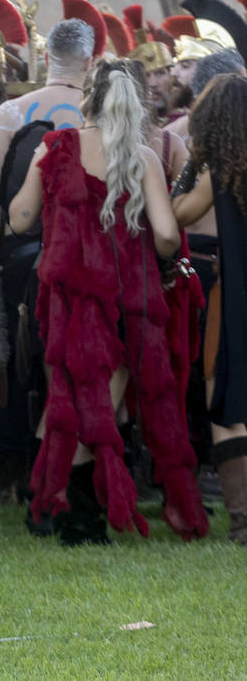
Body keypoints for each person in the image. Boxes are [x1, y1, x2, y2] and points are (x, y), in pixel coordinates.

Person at [12, 62, 208, 545]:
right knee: (96, 404)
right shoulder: (141, 156)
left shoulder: (56, 147)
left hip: (64, 300)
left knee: (65, 398)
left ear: (88, 98)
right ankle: (77, 522)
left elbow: (19, 219)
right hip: (123, 301)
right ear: (135, 101)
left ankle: (43, 504)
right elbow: (165, 234)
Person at [0, 18, 95, 497]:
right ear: (89, 62)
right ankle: (74, 475)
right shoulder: (100, 113)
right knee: (83, 362)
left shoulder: (12, 113)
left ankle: (24, 472)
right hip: (88, 257)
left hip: (22, 256)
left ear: (48, 57)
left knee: (24, 363)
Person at [173, 74, 247, 543]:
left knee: (225, 396)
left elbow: (178, 212)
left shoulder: (219, 174)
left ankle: (242, 517)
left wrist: (192, 164)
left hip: (234, 296)